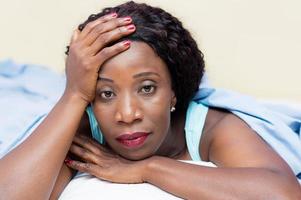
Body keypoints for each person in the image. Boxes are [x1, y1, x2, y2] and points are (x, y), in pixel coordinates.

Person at [0, 1, 300, 199]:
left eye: (146, 88)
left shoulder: (210, 126)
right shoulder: (83, 132)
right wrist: (73, 94)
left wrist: (146, 169)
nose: (127, 114)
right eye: (106, 93)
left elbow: (282, 194)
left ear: (174, 91)